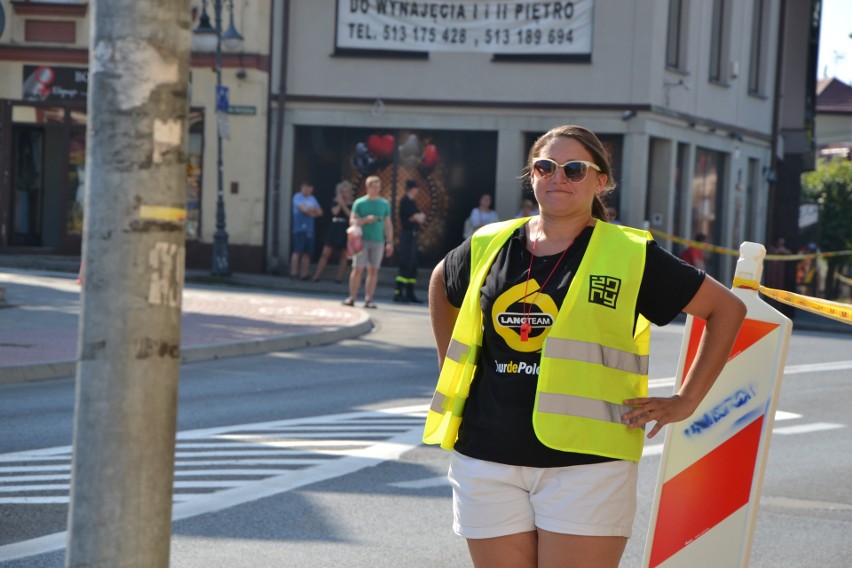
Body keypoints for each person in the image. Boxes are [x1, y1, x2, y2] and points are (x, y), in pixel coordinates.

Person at [424, 124, 746, 568]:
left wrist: (685, 400)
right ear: (531, 176)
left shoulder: (629, 253)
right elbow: (442, 280)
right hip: (486, 455)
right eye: (545, 167)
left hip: (587, 466)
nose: (558, 177)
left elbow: (726, 309)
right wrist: (449, 364)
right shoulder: (490, 242)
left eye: (574, 169)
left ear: (600, 181)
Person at [343, 175, 393, 309]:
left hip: (378, 240)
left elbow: (388, 224)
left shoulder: (384, 204)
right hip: (361, 240)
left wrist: (390, 242)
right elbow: (352, 221)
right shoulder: (359, 203)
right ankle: (352, 297)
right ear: (368, 187)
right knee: (357, 269)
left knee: (373, 271)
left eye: (378, 187)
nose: (376, 189)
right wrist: (365, 220)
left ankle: (368, 299)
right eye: (374, 187)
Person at [312, 180, 353, 283]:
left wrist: (343, 204)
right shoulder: (335, 201)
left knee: (344, 254)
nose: (345, 193)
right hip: (335, 226)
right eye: (342, 191)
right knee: (326, 252)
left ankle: (338, 278)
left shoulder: (352, 203)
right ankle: (316, 276)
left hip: (346, 227)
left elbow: (350, 215)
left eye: (347, 191)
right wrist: (339, 203)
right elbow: (334, 212)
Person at [394, 179, 427, 303]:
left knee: (412, 266)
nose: (417, 191)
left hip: (413, 236)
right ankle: (398, 293)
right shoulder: (405, 201)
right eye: (416, 189)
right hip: (407, 236)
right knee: (405, 264)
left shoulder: (412, 202)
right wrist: (418, 217)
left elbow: (420, 217)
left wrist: (419, 217)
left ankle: (409, 293)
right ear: (412, 189)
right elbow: (415, 217)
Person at [290, 181, 323, 279]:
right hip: (299, 228)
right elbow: (304, 210)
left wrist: (311, 211)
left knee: (307, 252)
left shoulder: (312, 198)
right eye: (306, 189)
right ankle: (294, 272)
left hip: (310, 229)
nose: (308, 191)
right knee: (297, 251)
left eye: (310, 190)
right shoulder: (297, 197)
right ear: (302, 188)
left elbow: (320, 212)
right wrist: (313, 211)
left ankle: (304, 273)